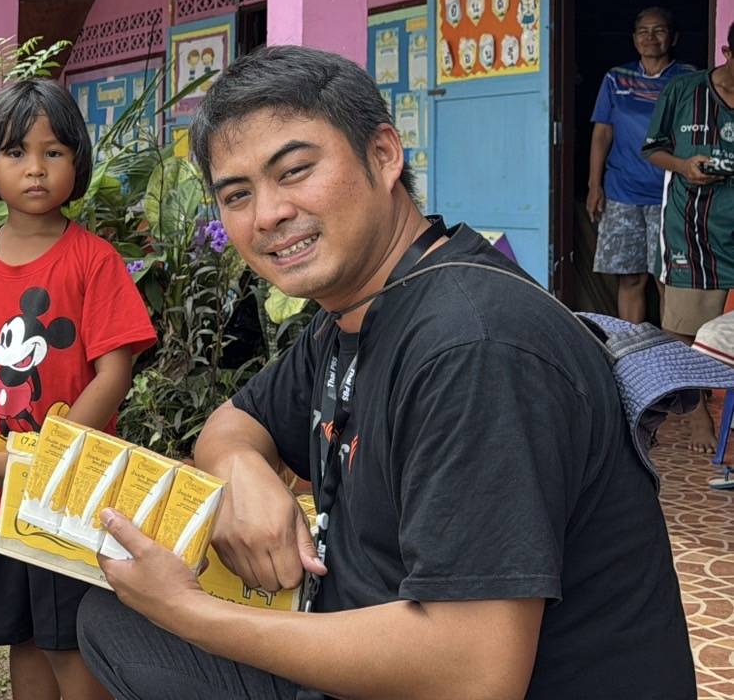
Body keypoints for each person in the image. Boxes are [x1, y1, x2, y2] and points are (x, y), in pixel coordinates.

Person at [78, 45, 693, 699]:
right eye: (237, 194)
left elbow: (473, 675)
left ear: (383, 155)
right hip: (373, 639)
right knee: (111, 617)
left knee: (151, 622)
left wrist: (193, 614)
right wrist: (242, 472)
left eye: (294, 171)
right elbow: (236, 423)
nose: (267, 214)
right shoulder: (360, 305)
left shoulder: (473, 346)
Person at [0, 79, 154, 700]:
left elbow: (115, 370)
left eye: (53, 152)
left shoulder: (94, 259)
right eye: (16, 152)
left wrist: (54, 452)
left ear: (76, 160)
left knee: (74, 641)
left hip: (71, 491)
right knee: (21, 637)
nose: (35, 169)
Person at [643, 19, 734, 452]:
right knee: (683, 326)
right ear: (727, 53)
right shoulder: (684, 92)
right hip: (692, 227)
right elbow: (653, 148)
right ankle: (698, 415)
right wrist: (684, 166)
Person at [587, 7, 693, 324]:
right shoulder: (616, 78)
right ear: (634, 40)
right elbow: (602, 132)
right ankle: (636, 352)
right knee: (631, 278)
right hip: (622, 191)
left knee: (668, 281)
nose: (651, 37)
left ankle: (670, 355)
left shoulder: (689, 79)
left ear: (673, 37)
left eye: (659, 30)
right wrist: (595, 185)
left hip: (670, 194)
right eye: (643, 31)